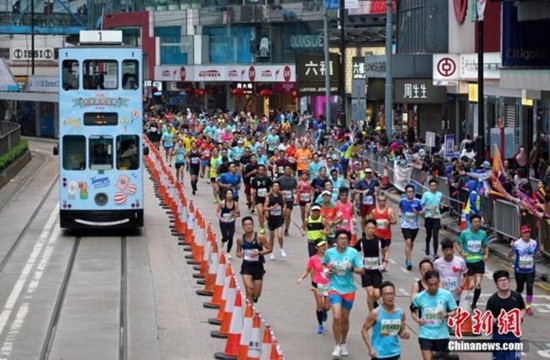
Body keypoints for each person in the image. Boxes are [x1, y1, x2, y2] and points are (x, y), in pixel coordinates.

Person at [322, 229, 365, 359]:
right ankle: (337, 346)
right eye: (341, 238)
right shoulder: (330, 252)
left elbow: (362, 270)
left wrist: (351, 268)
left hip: (349, 290)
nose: (343, 241)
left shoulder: (353, 253)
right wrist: (325, 271)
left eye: (346, 239)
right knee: (336, 317)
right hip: (334, 288)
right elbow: (323, 263)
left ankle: (343, 342)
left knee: (345, 319)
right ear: (336, 240)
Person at [411, 270, 457, 360]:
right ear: (426, 283)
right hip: (425, 334)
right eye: (430, 284)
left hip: (442, 334)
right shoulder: (419, 297)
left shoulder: (446, 295)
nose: (433, 287)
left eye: (435, 284)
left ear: (439, 282)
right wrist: (417, 319)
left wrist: (447, 314)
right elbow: (413, 310)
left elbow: (454, 311)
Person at [362, 281, 410, 360]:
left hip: (395, 353)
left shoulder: (400, 313)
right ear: (381, 295)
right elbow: (363, 330)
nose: (389, 296)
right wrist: (370, 348)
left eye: (391, 293)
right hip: (379, 355)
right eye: (386, 294)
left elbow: (400, 332)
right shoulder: (375, 313)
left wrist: (405, 334)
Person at [485, 270, 525, 360]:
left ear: (509, 281)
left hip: (514, 336)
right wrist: (497, 321)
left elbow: (522, 308)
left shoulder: (517, 296)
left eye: (505, 280)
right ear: (496, 284)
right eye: (500, 280)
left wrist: (520, 317)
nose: (504, 282)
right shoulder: (492, 300)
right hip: (498, 336)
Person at [297, 239, 331, 334]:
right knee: (319, 305)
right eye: (321, 246)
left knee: (327, 306)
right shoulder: (313, 259)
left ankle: (324, 311)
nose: (323, 247)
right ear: (316, 248)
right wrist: (301, 278)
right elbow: (307, 270)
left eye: (324, 245)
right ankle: (320, 325)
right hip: (317, 283)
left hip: (328, 284)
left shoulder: (330, 257)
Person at [509, 225, 544, 315]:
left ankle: (528, 306)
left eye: (528, 232)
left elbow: (536, 256)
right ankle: (515, 304)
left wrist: (540, 251)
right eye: (525, 233)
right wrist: (511, 248)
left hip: (530, 270)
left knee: (529, 287)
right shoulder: (517, 243)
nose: (527, 234)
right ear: (521, 233)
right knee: (519, 288)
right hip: (519, 270)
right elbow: (509, 255)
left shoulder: (534, 243)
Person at [236, 216, 272, 303]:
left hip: (258, 267)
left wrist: (259, 253)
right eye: (246, 225)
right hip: (246, 267)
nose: (248, 226)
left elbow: (270, 249)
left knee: (257, 293)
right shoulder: (240, 239)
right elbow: (237, 251)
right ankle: (249, 313)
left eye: (250, 224)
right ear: (243, 227)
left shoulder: (260, 237)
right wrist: (239, 254)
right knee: (249, 289)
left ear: (253, 225)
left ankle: (254, 297)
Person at [456, 214, 489, 310]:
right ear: (471, 223)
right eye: (475, 222)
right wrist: (461, 253)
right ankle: (463, 300)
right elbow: (457, 244)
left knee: (478, 283)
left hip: (479, 260)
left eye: (478, 222)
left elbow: (486, 245)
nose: (477, 224)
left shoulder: (483, 233)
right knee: (471, 284)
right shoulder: (465, 233)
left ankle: (474, 303)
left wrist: (486, 254)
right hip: (468, 261)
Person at [354, 219, 384, 312]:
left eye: (373, 228)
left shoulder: (379, 240)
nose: (371, 230)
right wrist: (357, 264)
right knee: (370, 293)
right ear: (365, 229)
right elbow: (354, 252)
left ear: (375, 229)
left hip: (377, 270)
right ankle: (372, 312)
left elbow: (386, 250)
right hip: (365, 271)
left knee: (377, 294)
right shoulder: (361, 241)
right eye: (369, 228)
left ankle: (374, 303)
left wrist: (385, 262)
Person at [434, 239, 467, 305]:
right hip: (442, 294)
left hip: (455, 294)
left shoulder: (460, 261)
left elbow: (466, 275)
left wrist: (461, 287)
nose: (449, 252)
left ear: (453, 250)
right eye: (446, 250)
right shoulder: (437, 263)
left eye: (450, 250)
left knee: (454, 313)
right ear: (443, 251)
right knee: (442, 314)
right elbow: (434, 277)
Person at [399, 184, 423, 271]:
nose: (410, 193)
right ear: (405, 193)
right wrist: (400, 214)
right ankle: (409, 261)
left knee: (411, 243)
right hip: (405, 225)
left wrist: (416, 212)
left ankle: (408, 257)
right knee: (408, 242)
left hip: (415, 226)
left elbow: (422, 212)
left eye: (411, 192)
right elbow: (400, 208)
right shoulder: (402, 201)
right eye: (408, 192)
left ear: (414, 192)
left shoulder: (418, 201)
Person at [371, 194, 397, 271]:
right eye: (380, 201)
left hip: (386, 234)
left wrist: (389, 222)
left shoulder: (389, 210)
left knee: (386, 248)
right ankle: (382, 264)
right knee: (381, 250)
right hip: (377, 234)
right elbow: (370, 222)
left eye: (383, 201)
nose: (382, 202)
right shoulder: (374, 211)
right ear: (377, 201)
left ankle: (384, 263)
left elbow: (394, 220)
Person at [354, 168, 380, 237]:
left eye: (369, 173)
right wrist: (362, 192)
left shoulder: (374, 181)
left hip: (372, 202)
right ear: (365, 173)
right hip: (363, 202)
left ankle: (370, 231)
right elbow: (355, 190)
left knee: (371, 217)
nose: (368, 174)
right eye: (367, 173)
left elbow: (378, 187)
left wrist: (376, 191)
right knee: (363, 218)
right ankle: (363, 232)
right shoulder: (361, 181)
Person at [421, 179, 443, 258]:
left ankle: (435, 253)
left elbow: (441, 203)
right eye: (432, 185)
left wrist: (442, 205)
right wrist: (425, 209)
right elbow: (422, 204)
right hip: (428, 216)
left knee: (435, 235)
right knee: (429, 234)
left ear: (437, 186)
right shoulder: (426, 194)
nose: (433, 187)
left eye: (435, 185)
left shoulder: (440, 194)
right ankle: (427, 245)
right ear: (429, 186)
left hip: (436, 217)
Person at [264, 181, 286, 260]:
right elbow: (264, 207)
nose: (276, 187)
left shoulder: (282, 196)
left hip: (279, 218)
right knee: (272, 237)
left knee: (280, 235)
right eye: (274, 186)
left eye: (277, 186)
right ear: (272, 188)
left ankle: (281, 249)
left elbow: (285, 204)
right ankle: (271, 251)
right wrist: (271, 208)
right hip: (271, 218)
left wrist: (284, 209)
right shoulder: (268, 197)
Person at [216, 189, 240, 259]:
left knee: (231, 237)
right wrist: (221, 218)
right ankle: (223, 240)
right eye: (228, 194)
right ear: (225, 195)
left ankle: (228, 252)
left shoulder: (235, 204)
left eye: (230, 194)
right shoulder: (222, 203)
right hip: (223, 222)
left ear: (233, 195)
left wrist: (234, 214)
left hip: (231, 222)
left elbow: (238, 214)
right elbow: (217, 212)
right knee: (225, 237)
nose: (229, 195)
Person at [250, 165, 272, 234]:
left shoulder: (267, 179)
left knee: (267, 214)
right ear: (258, 170)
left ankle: (269, 221)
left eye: (262, 169)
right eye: (259, 169)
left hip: (266, 199)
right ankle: (262, 228)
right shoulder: (255, 179)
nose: (261, 171)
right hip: (258, 198)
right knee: (260, 213)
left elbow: (271, 188)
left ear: (264, 171)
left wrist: (268, 194)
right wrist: (252, 192)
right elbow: (252, 188)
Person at [278, 165, 298, 237]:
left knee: (288, 214)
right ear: (284, 170)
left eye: (289, 169)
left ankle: (286, 229)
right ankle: (280, 226)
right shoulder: (280, 179)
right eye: (286, 169)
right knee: (282, 214)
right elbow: (276, 188)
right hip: (281, 199)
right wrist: (281, 193)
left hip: (290, 199)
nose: (287, 171)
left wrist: (296, 192)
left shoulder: (293, 179)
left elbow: (295, 188)